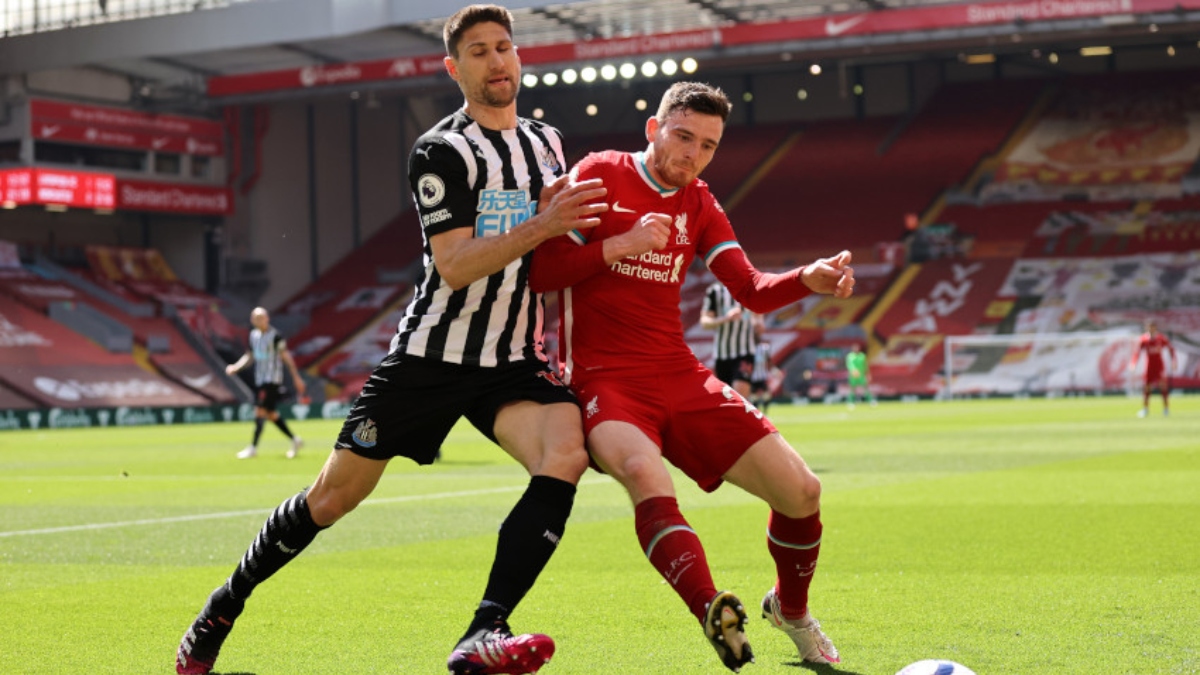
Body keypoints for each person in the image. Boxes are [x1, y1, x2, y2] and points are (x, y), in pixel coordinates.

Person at [175, 6, 608, 674]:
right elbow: (457, 264)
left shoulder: (546, 142)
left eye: (504, 47)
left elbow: (562, 233)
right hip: (430, 356)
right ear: (453, 68)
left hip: (511, 358)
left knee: (566, 453)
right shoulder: (441, 151)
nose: (497, 61)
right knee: (331, 499)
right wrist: (543, 224)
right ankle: (221, 606)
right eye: (479, 52)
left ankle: (483, 632)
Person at [530, 81, 854, 672]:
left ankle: (791, 611)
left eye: (707, 146)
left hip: (679, 374)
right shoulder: (599, 174)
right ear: (653, 130)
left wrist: (806, 277)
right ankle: (713, 609)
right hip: (606, 381)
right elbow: (542, 272)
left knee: (802, 491)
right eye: (683, 138)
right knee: (641, 473)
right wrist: (620, 245)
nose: (693, 156)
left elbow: (750, 291)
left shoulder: (700, 201)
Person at [225, 306, 306, 459]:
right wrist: (236, 367)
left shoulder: (275, 336)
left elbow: (286, 356)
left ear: (267, 318)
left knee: (260, 411)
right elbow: (249, 356)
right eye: (257, 318)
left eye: (262, 317)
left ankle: (253, 448)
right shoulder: (253, 336)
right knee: (271, 414)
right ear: (252, 320)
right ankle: (295, 440)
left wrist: (296, 377)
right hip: (260, 379)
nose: (260, 320)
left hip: (272, 379)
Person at [701, 280, 761, 397]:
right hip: (722, 354)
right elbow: (705, 322)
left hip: (745, 351)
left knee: (740, 396)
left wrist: (758, 325)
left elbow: (759, 322)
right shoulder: (714, 291)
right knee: (726, 399)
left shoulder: (751, 288)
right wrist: (725, 318)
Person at [1130, 319, 1176, 418]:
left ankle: (1166, 409)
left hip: (1159, 367)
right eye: (1149, 327)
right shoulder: (1143, 339)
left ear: (1155, 328)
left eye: (1153, 326)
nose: (1151, 328)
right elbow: (1137, 353)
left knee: (1163, 387)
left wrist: (1174, 361)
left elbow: (1171, 349)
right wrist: (1134, 363)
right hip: (1149, 367)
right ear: (1147, 328)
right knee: (1147, 388)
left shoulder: (1161, 338)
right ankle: (1145, 409)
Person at [748, 334, 777, 414]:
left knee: (767, 395)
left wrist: (773, 370)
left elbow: (769, 361)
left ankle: (765, 412)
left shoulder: (764, 348)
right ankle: (757, 413)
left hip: (762, 376)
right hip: (753, 377)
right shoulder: (749, 349)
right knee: (753, 397)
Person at [844, 342, 876, 408]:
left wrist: (868, 374)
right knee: (852, 389)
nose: (856, 349)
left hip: (861, 375)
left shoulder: (862, 356)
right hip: (853, 375)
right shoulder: (850, 356)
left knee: (866, 388)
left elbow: (865, 366)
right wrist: (853, 371)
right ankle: (850, 402)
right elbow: (849, 365)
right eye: (855, 348)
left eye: (857, 348)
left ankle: (871, 401)